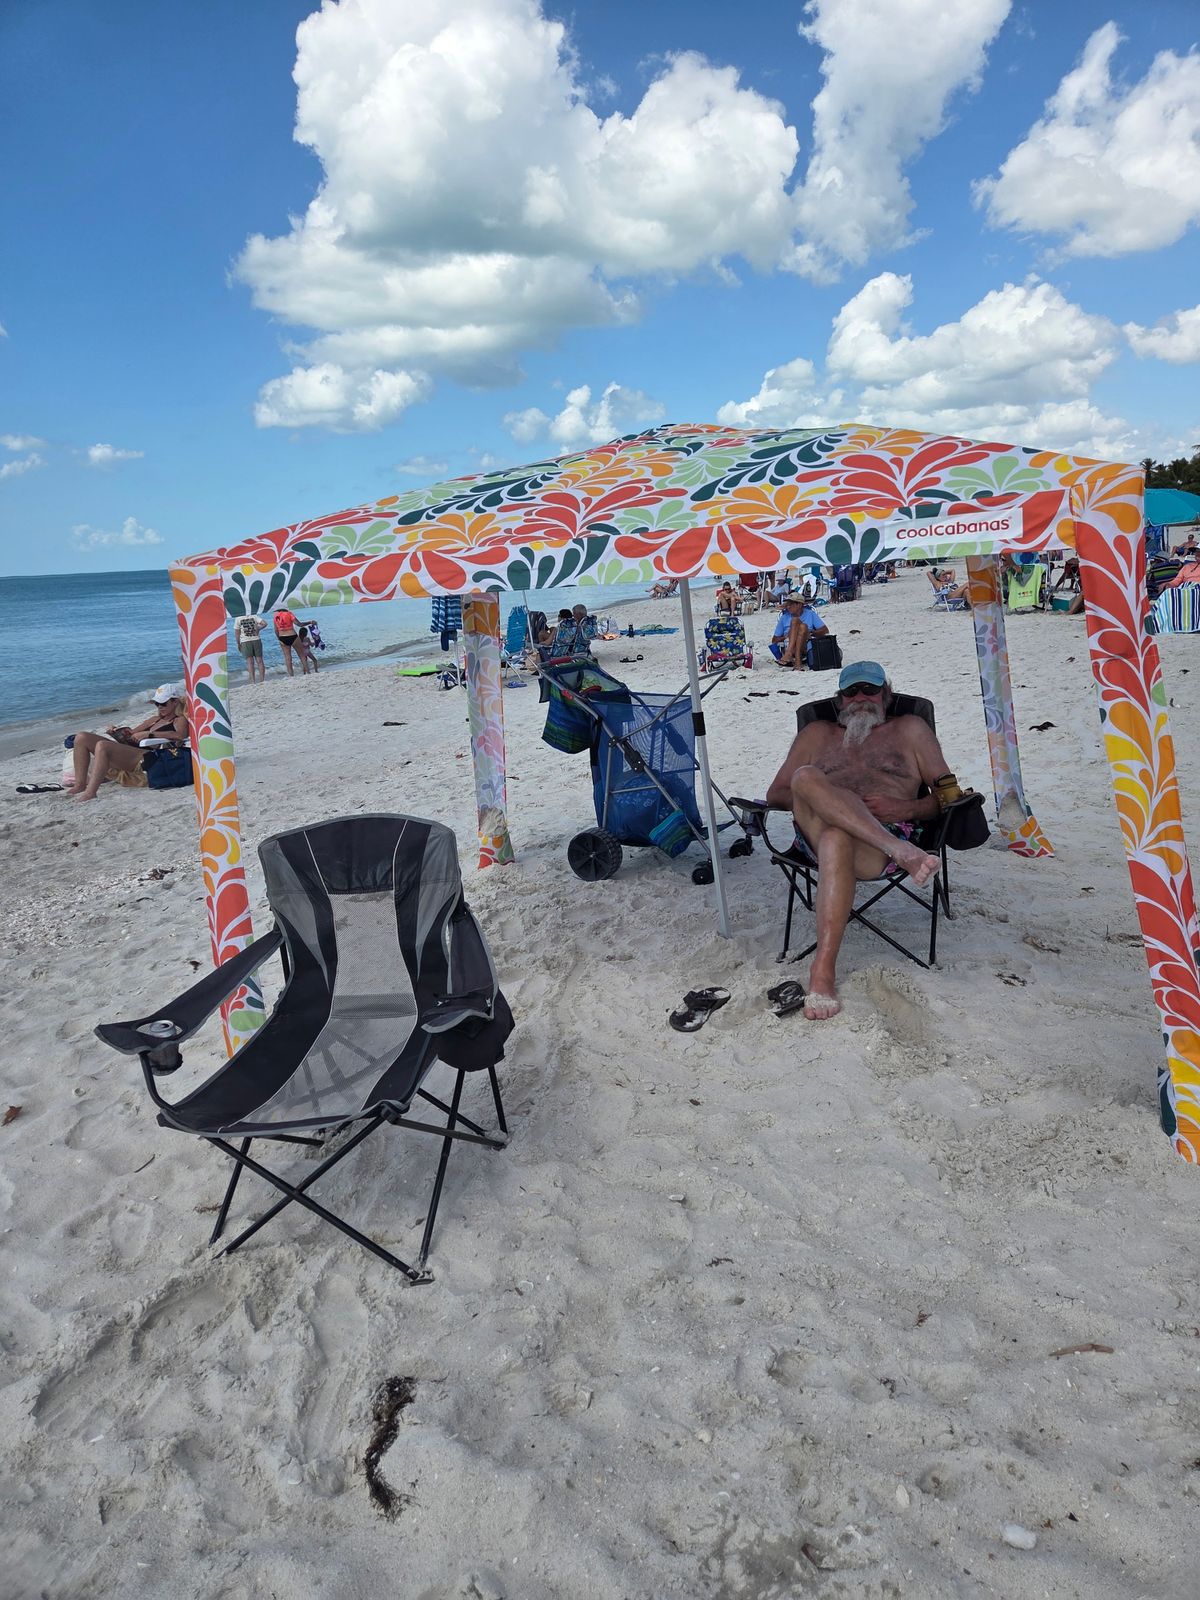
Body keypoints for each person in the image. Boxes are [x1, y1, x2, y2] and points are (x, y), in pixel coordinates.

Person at [765, 662, 945, 1021]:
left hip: (877, 845)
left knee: (836, 837)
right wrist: (830, 800)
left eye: (870, 689)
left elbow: (950, 796)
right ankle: (902, 853)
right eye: (851, 691)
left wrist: (907, 807)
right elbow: (776, 795)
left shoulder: (911, 729)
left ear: (886, 694)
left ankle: (822, 972)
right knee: (806, 777)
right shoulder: (816, 734)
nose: (860, 697)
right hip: (821, 834)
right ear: (840, 699)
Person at [67, 684, 189, 803]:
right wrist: (116, 732)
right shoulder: (154, 720)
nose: (160, 707)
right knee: (81, 737)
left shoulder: (179, 719)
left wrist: (150, 734)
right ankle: (80, 784)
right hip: (132, 752)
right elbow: (131, 734)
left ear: (175, 702)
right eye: (157, 703)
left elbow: (180, 735)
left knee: (102, 746)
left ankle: (91, 792)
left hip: (151, 757)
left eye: (163, 703)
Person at [769, 595, 828, 668]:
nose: (788, 607)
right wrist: (787, 636)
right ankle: (798, 662)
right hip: (789, 642)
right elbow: (774, 640)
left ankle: (788, 653)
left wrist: (811, 633)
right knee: (801, 626)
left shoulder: (810, 614)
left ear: (799, 605)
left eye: (790, 604)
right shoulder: (784, 617)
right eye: (787, 605)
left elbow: (825, 630)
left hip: (806, 644)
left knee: (797, 622)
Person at [273, 606, 306, 675]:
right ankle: (308, 672)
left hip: (282, 637)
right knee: (301, 655)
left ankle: (291, 675)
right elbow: (299, 624)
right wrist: (310, 622)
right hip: (292, 635)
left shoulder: (275, 616)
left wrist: (279, 638)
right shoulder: (289, 613)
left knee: (288, 658)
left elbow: (276, 630)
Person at [234, 613, 266, 684]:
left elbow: (237, 633)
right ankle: (262, 680)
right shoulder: (254, 616)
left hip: (245, 641)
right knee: (260, 661)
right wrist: (258, 628)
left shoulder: (238, 618)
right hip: (256, 639)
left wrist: (238, 643)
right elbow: (264, 623)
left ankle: (253, 681)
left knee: (250, 662)